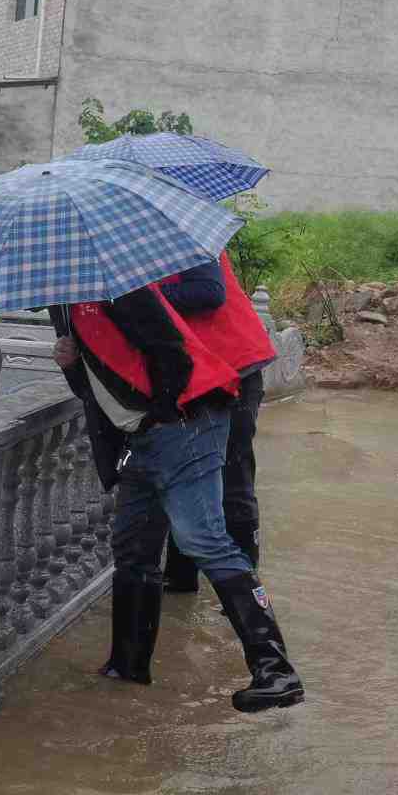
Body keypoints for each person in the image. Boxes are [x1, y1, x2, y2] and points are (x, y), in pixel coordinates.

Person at [49, 279, 305, 713]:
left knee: (202, 538)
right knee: (132, 549)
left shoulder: (119, 286)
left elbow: (173, 351)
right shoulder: (66, 306)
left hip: (185, 423)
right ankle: (127, 668)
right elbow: (98, 389)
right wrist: (72, 366)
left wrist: (163, 416)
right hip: (141, 438)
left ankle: (276, 672)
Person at [154, 254, 275, 593]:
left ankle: (247, 585)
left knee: (232, 474)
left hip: (234, 365)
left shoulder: (185, 233)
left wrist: (141, 298)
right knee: (187, 470)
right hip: (196, 371)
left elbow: (210, 291)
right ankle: (180, 576)